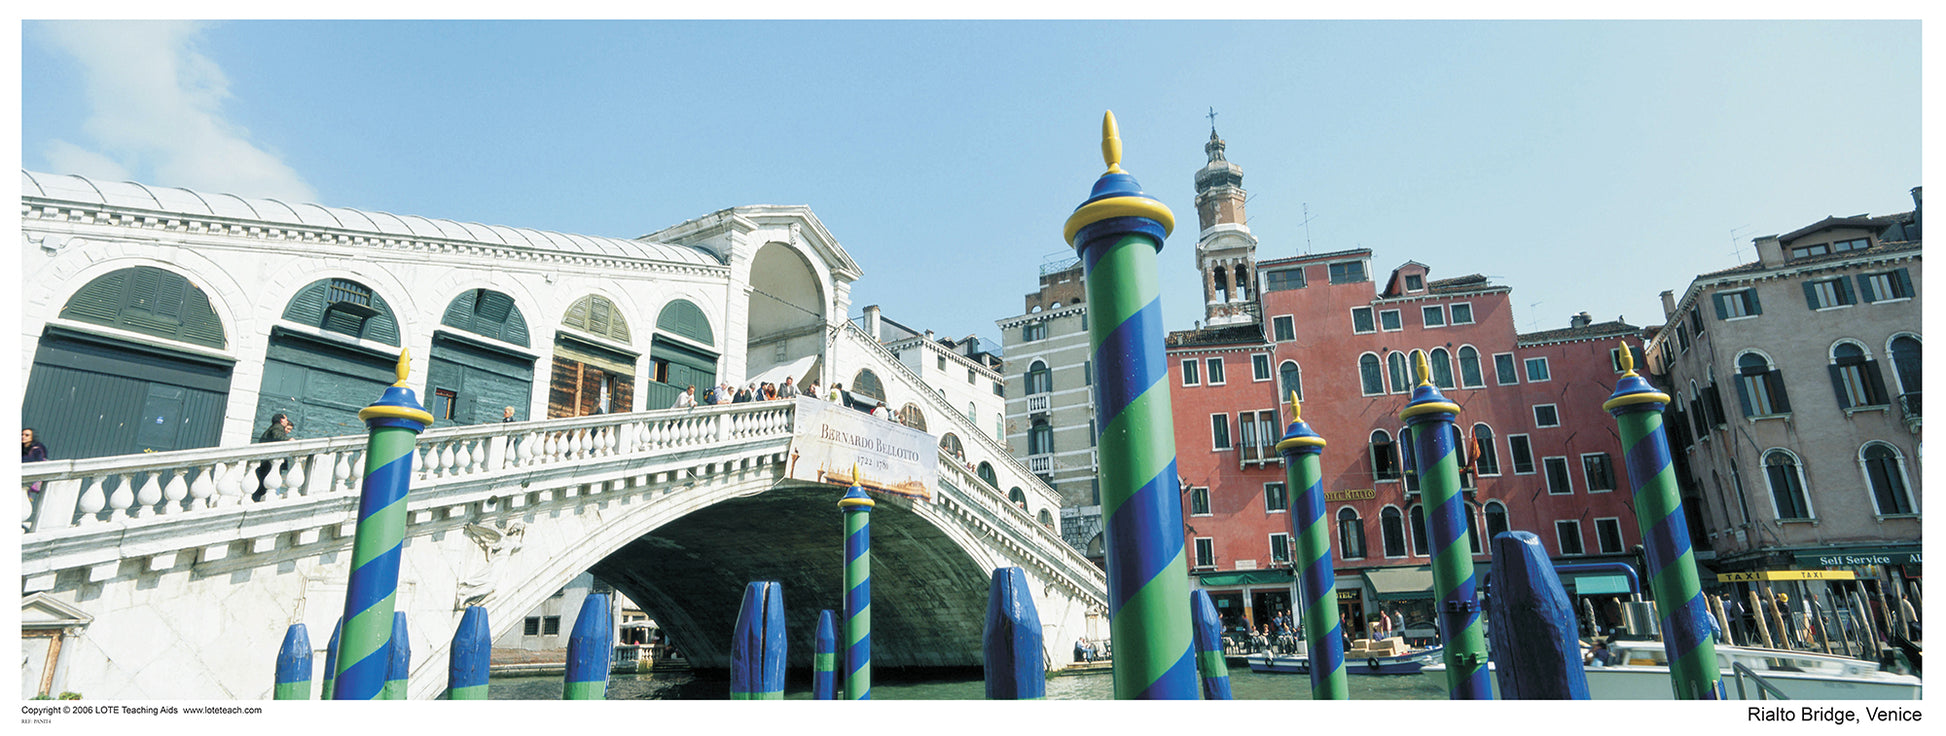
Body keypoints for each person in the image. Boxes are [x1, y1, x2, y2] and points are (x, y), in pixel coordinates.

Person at [254, 413, 295, 501]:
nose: (287, 421)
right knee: (266, 484)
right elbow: (277, 435)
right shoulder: (277, 427)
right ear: (281, 420)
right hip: (268, 462)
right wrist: (288, 439)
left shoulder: (273, 428)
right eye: (286, 419)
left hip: (266, 461)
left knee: (262, 484)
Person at [22, 428, 49, 496]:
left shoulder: (37, 449)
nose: (23, 437)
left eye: (27, 435)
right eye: (22, 435)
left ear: (32, 437)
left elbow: (37, 462)